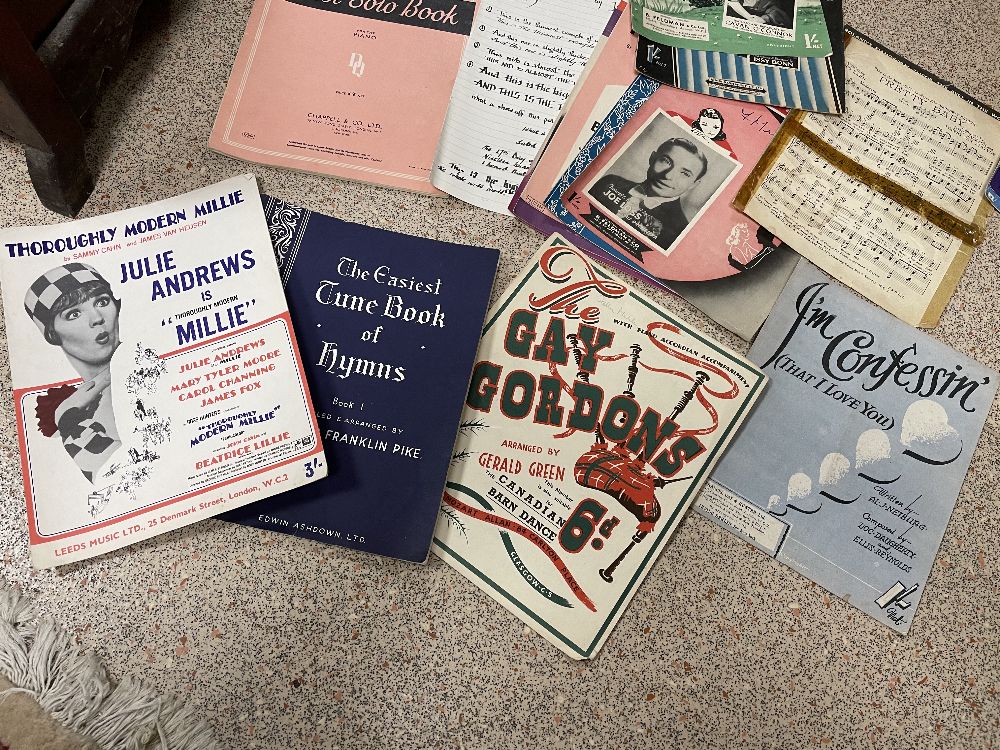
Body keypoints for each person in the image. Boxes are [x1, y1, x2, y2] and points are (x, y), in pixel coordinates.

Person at [25, 263, 122, 483]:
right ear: (52, 334)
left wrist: (66, 417)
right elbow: (116, 478)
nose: (97, 318)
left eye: (102, 301)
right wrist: (68, 418)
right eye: (73, 313)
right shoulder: (78, 413)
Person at [589, 137, 708, 252]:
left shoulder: (679, 231)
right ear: (652, 158)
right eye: (666, 161)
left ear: (694, 184)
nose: (668, 176)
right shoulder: (609, 182)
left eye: (685, 173)